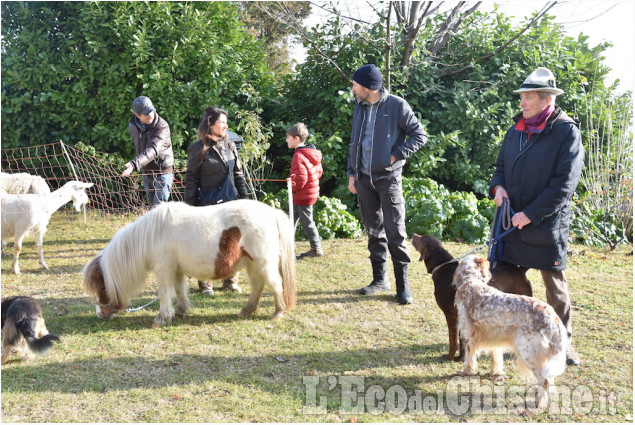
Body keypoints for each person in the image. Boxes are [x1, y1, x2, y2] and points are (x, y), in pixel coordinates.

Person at [490, 67, 585, 366]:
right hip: (511, 222)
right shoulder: (514, 130)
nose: (522, 103)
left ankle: (563, 343)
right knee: (499, 281)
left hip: (545, 225)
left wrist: (529, 215)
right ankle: (503, 338)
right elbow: (500, 166)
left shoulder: (566, 131)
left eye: (527, 97)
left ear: (546, 100)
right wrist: (499, 187)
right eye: (522, 97)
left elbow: (564, 185)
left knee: (555, 291)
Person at [347, 64, 428, 305]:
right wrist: (352, 174)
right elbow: (355, 142)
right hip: (363, 180)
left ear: (367, 87)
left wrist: (395, 155)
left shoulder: (397, 105)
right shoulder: (360, 107)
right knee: (373, 231)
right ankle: (379, 280)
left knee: (395, 233)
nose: (353, 89)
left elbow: (419, 135)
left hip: (389, 180)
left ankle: (403, 287)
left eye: (355, 85)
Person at [184, 106, 249, 295]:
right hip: (207, 205)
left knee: (232, 243)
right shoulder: (197, 149)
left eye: (225, 122)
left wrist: (244, 200)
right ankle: (205, 284)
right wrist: (190, 208)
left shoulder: (229, 144)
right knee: (208, 244)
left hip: (231, 202)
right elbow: (191, 180)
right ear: (209, 124)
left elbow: (238, 174)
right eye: (221, 121)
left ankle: (230, 280)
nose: (225, 125)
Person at [122, 96, 174, 208]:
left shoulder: (162, 126)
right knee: (151, 207)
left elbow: (153, 149)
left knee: (159, 207)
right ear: (137, 115)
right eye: (146, 113)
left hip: (163, 171)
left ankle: (162, 226)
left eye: (151, 111)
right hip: (147, 170)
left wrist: (134, 164)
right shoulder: (133, 125)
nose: (150, 115)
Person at [286, 123, 324, 259]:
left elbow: (301, 179)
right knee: (290, 219)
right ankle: (286, 249)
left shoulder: (298, 155)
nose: (286, 140)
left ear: (296, 139)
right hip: (306, 193)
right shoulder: (310, 152)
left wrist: (291, 184)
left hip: (303, 195)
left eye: (288, 138)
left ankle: (317, 248)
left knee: (306, 222)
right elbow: (318, 172)